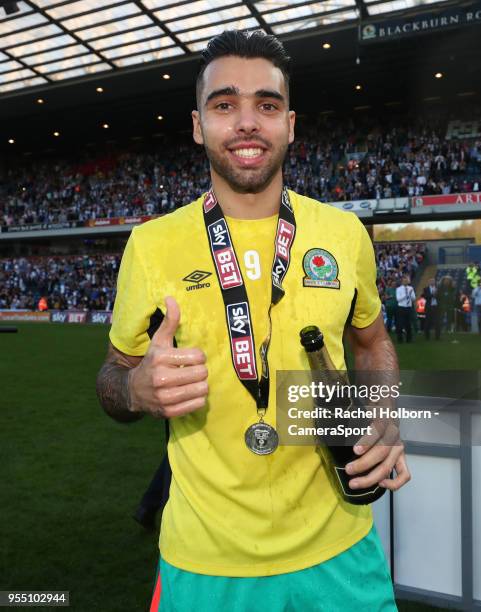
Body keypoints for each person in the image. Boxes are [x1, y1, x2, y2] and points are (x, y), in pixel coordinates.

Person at [96, 30, 410, 612]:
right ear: (198, 125)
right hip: (205, 562)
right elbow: (112, 377)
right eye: (225, 105)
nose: (247, 122)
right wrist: (136, 389)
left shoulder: (343, 234)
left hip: (339, 548)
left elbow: (372, 342)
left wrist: (384, 413)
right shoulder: (151, 245)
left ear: (290, 124)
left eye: (267, 105)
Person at [395, 275, 416, 343]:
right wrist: (407, 295)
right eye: (404, 280)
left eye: (406, 280)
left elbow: (414, 298)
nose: (406, 281)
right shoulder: (399, 289)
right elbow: (398, 299)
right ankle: (400, 339)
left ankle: (408, 339)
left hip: (408, 307)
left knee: (408, 324)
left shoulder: (410, 288)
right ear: (402, 281)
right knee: (400, 324)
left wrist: (411, 294)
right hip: (401, 308)